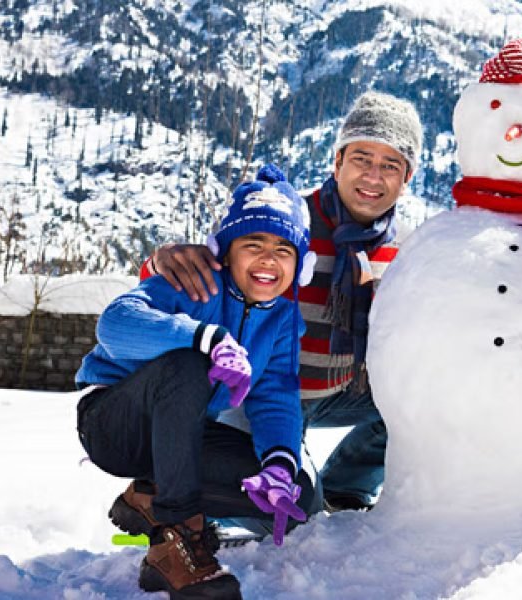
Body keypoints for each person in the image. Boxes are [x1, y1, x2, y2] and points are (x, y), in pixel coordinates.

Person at [146, 92, 423, 512]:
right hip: (263, 395)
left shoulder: (404, 247)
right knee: (290, 508)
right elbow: (195, 278)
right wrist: (160, 263)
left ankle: (347, 488)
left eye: (390, 165)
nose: (372, 176)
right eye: (361, 158)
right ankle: (173, 501)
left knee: (422, 401)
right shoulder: (287, 222)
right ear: (337, 162)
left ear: (407, 179)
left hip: (339, 391)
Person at [76, 164, 315, 599]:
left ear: (300, 265)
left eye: (283, 248)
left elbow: (275, 398)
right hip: (114, 423)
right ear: (225, 253)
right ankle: (177, 540)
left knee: (295, 491)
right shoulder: (194, 284)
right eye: (253, 244)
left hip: (181, 436)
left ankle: (149, 497)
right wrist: (203, 336)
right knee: (189, 365)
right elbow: (115, 323)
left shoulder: (282, 320)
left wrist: (278, 466)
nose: (267, 258)